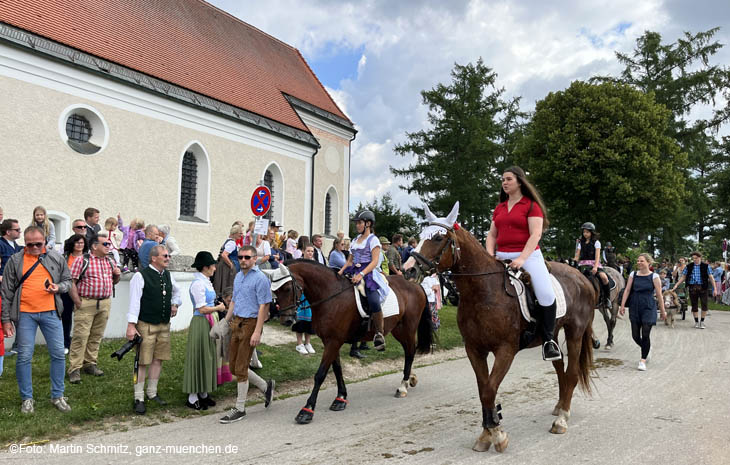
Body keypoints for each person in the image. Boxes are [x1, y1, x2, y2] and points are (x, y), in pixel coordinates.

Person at [485, 166, 561, 361]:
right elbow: (492, 235)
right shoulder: (500, 207)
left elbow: (535, 234)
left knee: (545, 294)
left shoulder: (531, 206)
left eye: (508, 179)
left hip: (528, 256)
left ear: (519, 181)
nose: (504, 182)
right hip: (501, 256)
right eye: (503, 179)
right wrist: (490, 256)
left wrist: (521, 259)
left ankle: (548, 341)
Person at [1, 225, 73, 413]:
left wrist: (59, 288)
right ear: (24, 242)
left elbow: (68, 280)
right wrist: (6, 320)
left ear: (44, 242)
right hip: (25, 314)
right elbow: (6, 292)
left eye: (38, 244)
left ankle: (58, 396)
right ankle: (27, 398)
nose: (33, 247)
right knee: (24, 356)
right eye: (29, 244)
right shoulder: (15, 260)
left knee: (58, 353)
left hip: (51, 313)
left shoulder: (56, 257)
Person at [219, 245, 275, 424]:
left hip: (251, 323)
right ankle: (265, 386)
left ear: (254, 259)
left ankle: (240, 408)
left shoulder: (260, 279)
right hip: (237, 321)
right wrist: (224, 322)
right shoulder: (238, 276)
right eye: (241, 257)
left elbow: (263, 307)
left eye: (247, 257)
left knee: (241, 367)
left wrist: (257, 331)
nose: (243, 260)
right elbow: (234, 300)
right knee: (234, 366)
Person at [126, 245, 181, 415]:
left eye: (168, 256)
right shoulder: (140, 276)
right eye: (165, 256)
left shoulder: (168, 275)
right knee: (143, 361)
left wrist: (174, 303)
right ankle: (138, 397)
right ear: (153, 258)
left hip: (164, 324)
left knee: (158, 358)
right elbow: (134, 302)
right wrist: (131, 325)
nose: (168, 258)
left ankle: (152, 392)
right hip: (146, 324)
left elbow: (177, 292)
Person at [67, 232, 120, 384]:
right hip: (86, 303)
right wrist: (78, 302)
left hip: (104, 303)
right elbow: (72, 282)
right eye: (106, 244)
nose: (109, 246)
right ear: (95, 246)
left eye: (109, 244)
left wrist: (117, 276)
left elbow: (114, 281)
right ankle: (74, 368)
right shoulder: (82, 260)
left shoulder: (109, 261)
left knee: (96, 335)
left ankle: (90, 363)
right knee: (80, 336)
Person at [338, 210, 388, 351]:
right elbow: (350, 260)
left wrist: (361, 274)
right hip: (353, 270)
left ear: (368, 224)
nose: (357, 225)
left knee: (373, 299)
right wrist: (340, 272)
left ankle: (379, 333)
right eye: (357, 223)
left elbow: (374, 261)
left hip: (368, 272)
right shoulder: (355, 240)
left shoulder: (374, 240)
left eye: (359, 223)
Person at [183, 251, 226, 410]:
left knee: (208, 355)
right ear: (206, 267)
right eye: (213, 265)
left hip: (209, 320)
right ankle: (192, 396)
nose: (215, 268)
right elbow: (201, 309)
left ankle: (203, 392)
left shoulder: (206, 281)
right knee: (199, 355)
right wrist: (219, 307)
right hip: (201, 322)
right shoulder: (198, 284)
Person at [619, 253, 666, 371]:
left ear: (648, 263)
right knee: (635, 336)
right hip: (635, 305)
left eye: (642, 261)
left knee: (645, 332)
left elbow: (659, 295)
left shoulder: (654, 276)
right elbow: (627, 290)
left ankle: (642, 360)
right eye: (638, 261)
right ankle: (647, 348)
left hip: (648, 306)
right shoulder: (633, 274)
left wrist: (663, 311)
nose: (639, 263)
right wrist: (623, 305)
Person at [671, 251, 718, 329]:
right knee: (694, 305)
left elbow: (711, 277)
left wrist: (715, 289)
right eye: (693, 258)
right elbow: (683, 277)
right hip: (692, 287)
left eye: (696, 258)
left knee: (704, 304)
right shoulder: (689, 266)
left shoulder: (706, 266)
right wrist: (676, 285)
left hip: (703, 287)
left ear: (700, 258)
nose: (694, 260)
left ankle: (702, 322)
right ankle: (696, 322)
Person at [574, 222, 612, 308]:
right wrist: (572, 261)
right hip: (582, 264)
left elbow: (597, 256)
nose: (585, 234)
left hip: (594, 264)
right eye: (584, 232)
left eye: (587, 232)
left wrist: (595, 267)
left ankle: (607, 299)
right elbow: (577, 256)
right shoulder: (580, 243)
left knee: (604, 278)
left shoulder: (596, 242)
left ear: (591, 232)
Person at [61, 234, 86, 354]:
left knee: (82, 320)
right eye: (77, 242)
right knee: (66, 318)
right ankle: (65, 342)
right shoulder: (65, 257)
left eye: (82, 243)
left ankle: (80, 345)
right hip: (66, 291)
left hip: (82, 291)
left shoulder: (87, 258)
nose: (80, 245)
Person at [293, 245, 316, 355]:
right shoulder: (299, 264)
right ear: (303, 252)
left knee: (310, 318)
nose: (310, 253)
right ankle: (299, 343)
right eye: (308, 251)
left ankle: (307, 342)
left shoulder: (315, 265)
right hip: (301, 294)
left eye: (312, 251)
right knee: (301, 319)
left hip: (311, 294)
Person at [213, 224, 243, 298]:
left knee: (224, 285)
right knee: (228, 285)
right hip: (226, 268)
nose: (242, 235)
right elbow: (224, 255)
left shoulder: (229, 241)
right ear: (235, 233)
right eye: (240, 233)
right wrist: (231, 266)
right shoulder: (232, 243)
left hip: (224, 266)